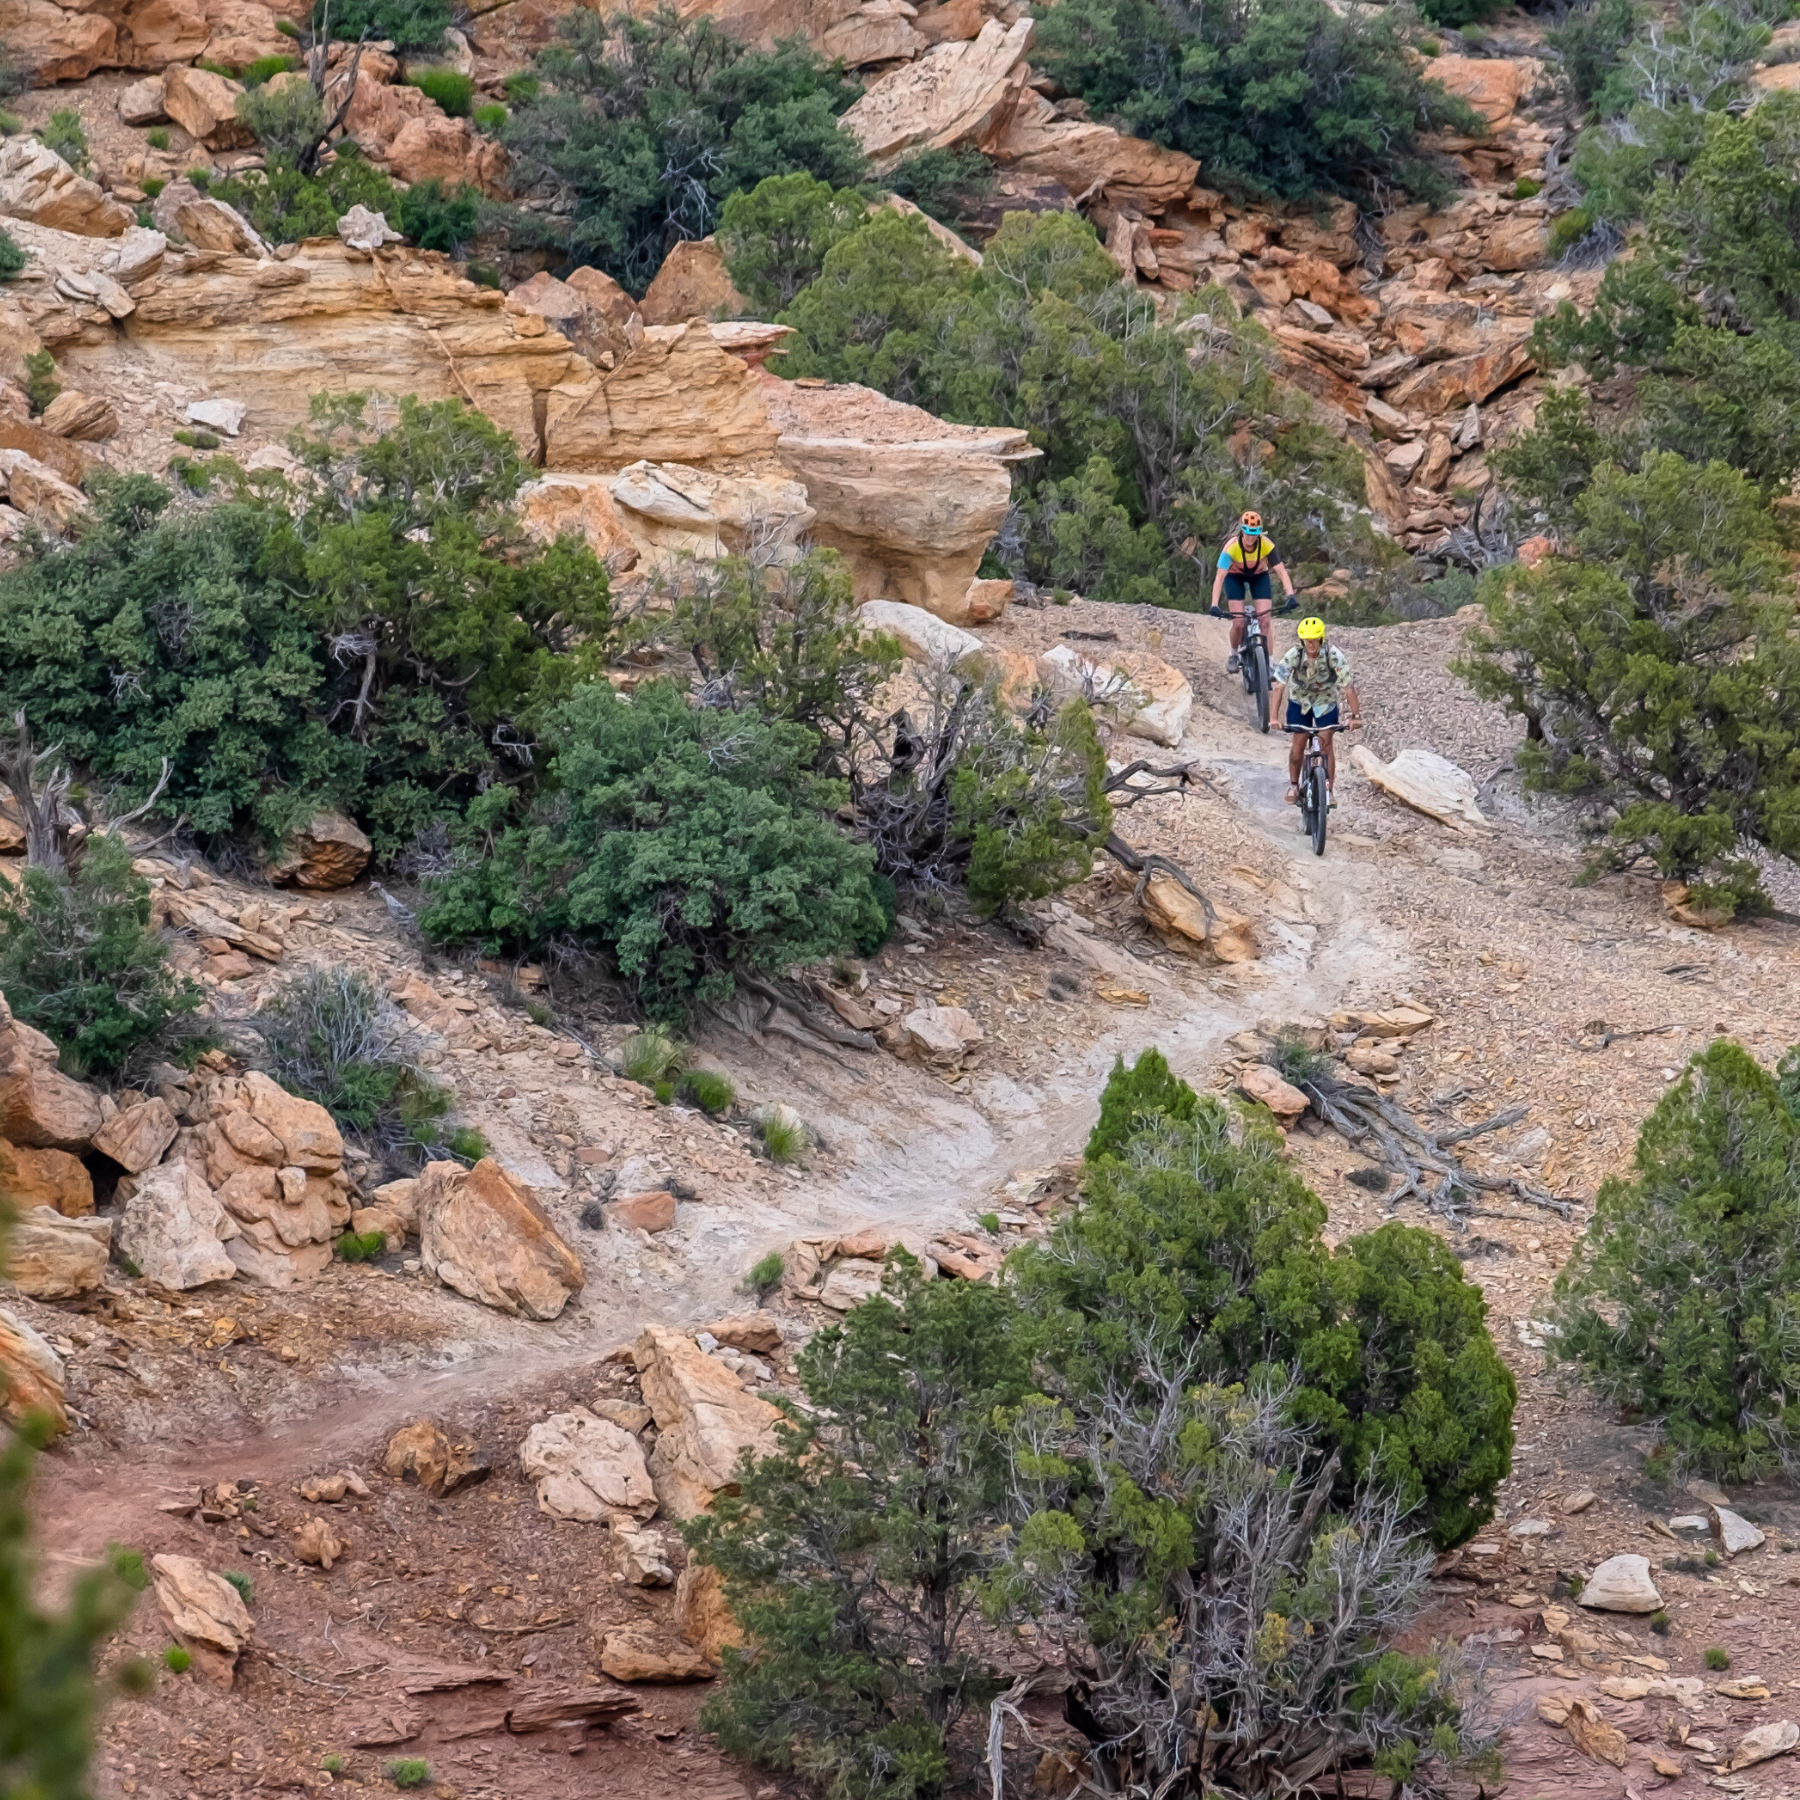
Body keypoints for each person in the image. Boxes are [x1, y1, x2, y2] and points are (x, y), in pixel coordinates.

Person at [1271, 617, 1360, 808]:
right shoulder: (1294, 654)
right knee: (1299, 742)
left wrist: (1356, 716)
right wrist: (1273, 718)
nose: (1311, 644)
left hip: (1325, 700)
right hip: (1299, 700)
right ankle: (1294, 786)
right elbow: (1279, 686)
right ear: (1302, 640)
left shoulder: (1333, 655)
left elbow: (1348, 687)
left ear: (1321, 638)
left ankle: (1328, 790)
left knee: (1326, 742)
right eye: (1307, 639)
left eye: (1314, 639)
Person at [1210, 511, 1296, 673]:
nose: (1251, 538)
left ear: (1260, 533)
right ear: (1242, 530)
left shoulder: (1266, 545)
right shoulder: (1231, 547)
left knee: (1265, 620)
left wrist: (1290, 595)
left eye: (1255, 534)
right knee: (1238, 623)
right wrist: (1214, 604)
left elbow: (1281, 571)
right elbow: (1219, 577)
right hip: (1234, 577)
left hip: (1259, 576)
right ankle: (1234, 654)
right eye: (1248, 533)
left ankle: (1269, 662)